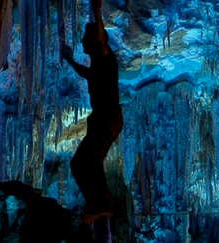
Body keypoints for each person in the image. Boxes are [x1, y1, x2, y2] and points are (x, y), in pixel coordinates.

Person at [63, 0, 123, 224]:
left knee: (90, 161)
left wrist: (97, 12)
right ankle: (97, 203)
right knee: (79, 164)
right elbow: (87, 73)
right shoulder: (100, 65)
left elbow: (100, 38)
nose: (81, 40)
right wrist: (70, 60)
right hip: (103, 121)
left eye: (85, 37)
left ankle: (103, 204)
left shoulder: (106, 56)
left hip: (107, 120)